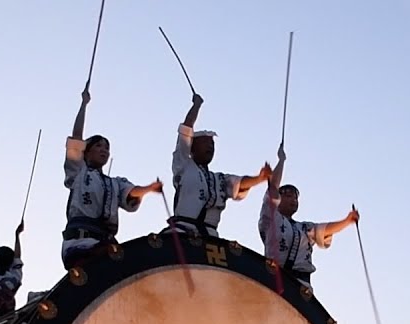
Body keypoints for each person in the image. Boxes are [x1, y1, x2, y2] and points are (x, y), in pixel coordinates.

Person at [62, 87, 162, 268]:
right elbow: (76, 138)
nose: (104, 150)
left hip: (105, 242)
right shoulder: (79, 172)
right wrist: (84, 104)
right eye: (98, 146)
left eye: (107, 148)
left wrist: (149, 188)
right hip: (79, 243)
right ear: (86, 151)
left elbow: (131, 194)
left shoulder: (115, 183)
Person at [169, 93, 270, 239]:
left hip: (211, 239)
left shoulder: (220, 179)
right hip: (183, 233)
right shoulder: (183, 165)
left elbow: (239, 183)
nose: (210, 146)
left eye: (212, 144)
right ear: (192, 147)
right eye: (205, 143)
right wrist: (196, 106)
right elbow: (185, 131)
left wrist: (259, 178)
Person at [258, 144, 360, 286]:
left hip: (301, 285)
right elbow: (273, 187)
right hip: (275, 280)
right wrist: (281, 160)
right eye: (288, 196)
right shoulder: (271, 217)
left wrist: (347, 221)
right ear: (279, 199)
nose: (293, 200)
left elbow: (324, 230)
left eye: (295, 197)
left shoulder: (305, 228)